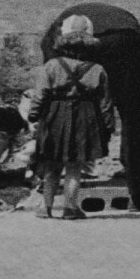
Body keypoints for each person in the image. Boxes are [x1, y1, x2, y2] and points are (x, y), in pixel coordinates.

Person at [40, 3, 140, 211]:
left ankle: (45, 181)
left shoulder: (55, 33)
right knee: (132, 119)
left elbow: (47, 91)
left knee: (56, 109)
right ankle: (138, 192)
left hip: (80, 37)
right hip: (127, 42)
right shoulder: (131, 28)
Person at [27, 14, 115, 219]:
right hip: (86, 117)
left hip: (55, 116)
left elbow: (40, 95)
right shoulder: (98, 70)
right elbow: (106, 103)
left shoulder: (50, 66)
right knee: (74, 166)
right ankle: (70, 207)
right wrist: (108, 126)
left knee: (51, 164)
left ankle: (45, 207)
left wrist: (33, 117)